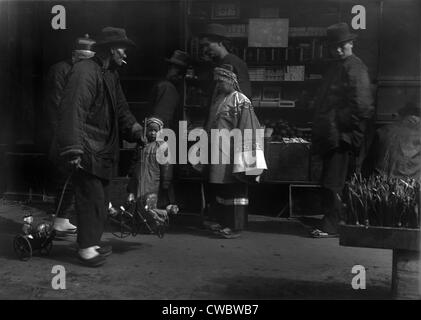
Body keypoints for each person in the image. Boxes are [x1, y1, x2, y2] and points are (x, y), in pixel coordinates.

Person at [56, 27, 145, 267]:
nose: (125, 53)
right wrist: (74, 148)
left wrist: (136, 130)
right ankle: (85, 249)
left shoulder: (109, 74)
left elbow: (121, 108)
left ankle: (91, 243)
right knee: (91, 198)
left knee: (100, 198)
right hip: (87, 147)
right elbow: (73, 109)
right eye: (123, 48)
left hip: (103, 148)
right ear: (113, 48)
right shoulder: (85, 72)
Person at [311, 22, 374, 237]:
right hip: (333, 134)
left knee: (333, 182)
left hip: (342, 136)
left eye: (342, 45)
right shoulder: (338, 67)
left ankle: (332, 226)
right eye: (333, 47)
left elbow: (363, 105)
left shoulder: (355, 66)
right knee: (335, 181)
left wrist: (347, 131)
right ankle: (339, 222)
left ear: (351, 43)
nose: (338, 50)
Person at [201, 65, 266, 238]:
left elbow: (248, 127)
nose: (219, 85)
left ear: (231, 80)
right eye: (217, 82)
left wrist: (246, 156)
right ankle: (223, 222)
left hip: (233, 152)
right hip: (219, 152)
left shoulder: (240, 100)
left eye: (221, 81)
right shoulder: (219, 100)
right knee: (223, 189)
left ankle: (235, 226)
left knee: (236, 190)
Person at [44, 34, 96, 236]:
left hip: (77, 131)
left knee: (74, 177)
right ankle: (59, 219)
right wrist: (65, 136)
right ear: (75, 55)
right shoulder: (60, 71)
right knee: (64, 177)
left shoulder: (80, 72)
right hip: (63, 133)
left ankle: (63, 218)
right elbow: (56, 105)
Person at [363, 102, 421, 181]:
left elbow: (367, 166)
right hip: (406, 187)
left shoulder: (382, 131)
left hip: (378, 185)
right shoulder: (418, 134)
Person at [126, 117, 173, 207]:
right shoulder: (141, 145)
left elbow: (167, 165)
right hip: (139, 180)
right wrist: (130, 173)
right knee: (137, 203)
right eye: (150, 130)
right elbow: (134, 161)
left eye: (155, 131)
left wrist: (166, 182)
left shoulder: (162, 146)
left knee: (151, 203)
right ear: (146, 130)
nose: (153, 133)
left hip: (154, 181)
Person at [198, 23, 251, 99]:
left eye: (207, 45)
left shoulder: (231, 62)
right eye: (202, 46)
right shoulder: (221, 62)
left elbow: (243, 94)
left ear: (220, 43)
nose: (204, 50)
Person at [148, 50, 190, 128]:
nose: (178, 73)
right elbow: (161, 119)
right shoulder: (167, 87)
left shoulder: (174, 88)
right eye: (174, 67)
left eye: (181, 70)